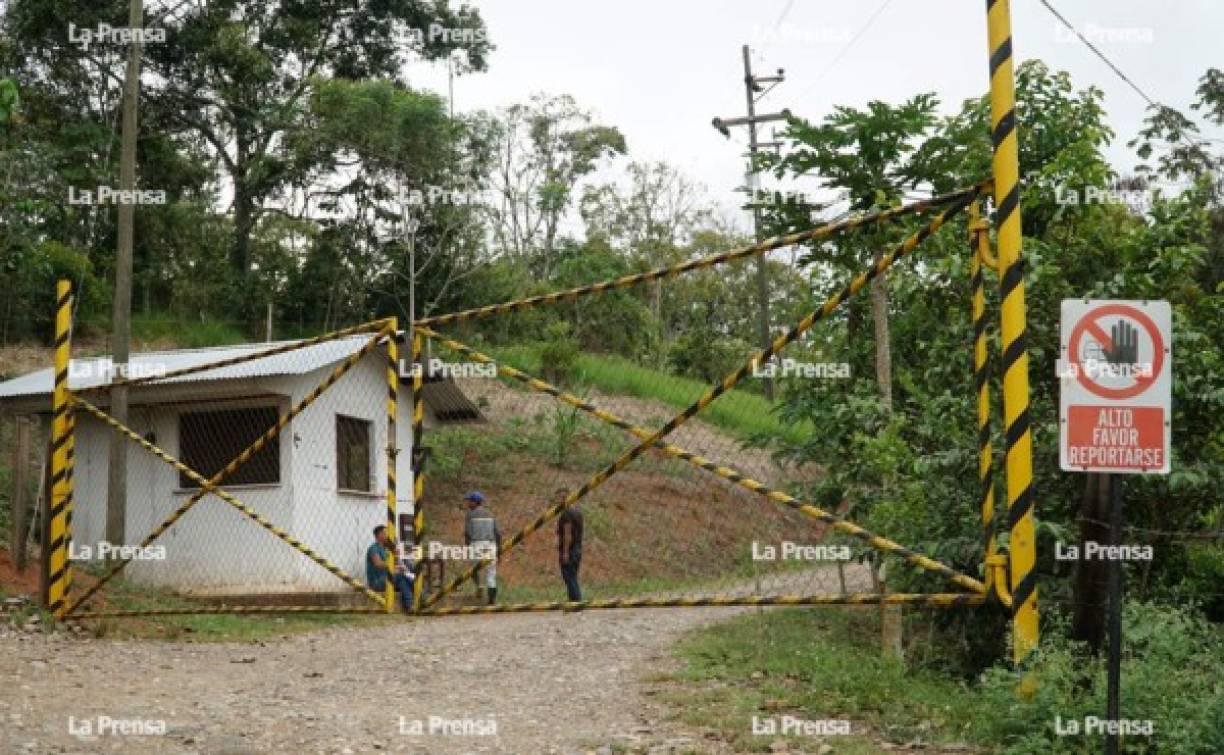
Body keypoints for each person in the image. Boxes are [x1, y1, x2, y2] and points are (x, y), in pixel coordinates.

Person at [463, 491, 501, 604]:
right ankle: (491, 600)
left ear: (475, 502)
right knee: (491, 573)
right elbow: (497, 533)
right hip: (491, 544)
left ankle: (479, 585)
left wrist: (467, 548)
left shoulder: (470, 514)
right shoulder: (491, 514)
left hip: (476, 543)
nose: (468, 503)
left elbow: (467, 533)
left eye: (470, 501)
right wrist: (498, 551)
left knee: (473, 569)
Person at [366, 525, 414, 610]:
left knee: (402, 582)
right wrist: (395, 568)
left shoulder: (387, 549)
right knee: (402, 576)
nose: (389, 535)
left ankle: (410, 606)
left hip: (389, 579)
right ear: (380, 535)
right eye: (386, 533)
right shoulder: (373, 548)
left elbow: (397, 562)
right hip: (377, 582)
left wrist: (397, 557)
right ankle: (421, 595)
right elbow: (378, 564)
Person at [555, 487, 583, 602]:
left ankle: (575, 601)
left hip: (570, 549)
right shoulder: (578, 513)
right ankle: (573, 600)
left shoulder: (566, 514)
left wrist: (565, 552)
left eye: (560, 498)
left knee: (569, 577)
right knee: (573, 576)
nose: (558, 501)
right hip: (577, 548)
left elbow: (568, 534)